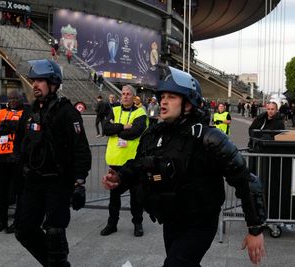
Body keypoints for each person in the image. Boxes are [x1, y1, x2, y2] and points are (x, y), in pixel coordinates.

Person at [102, 66, 266, 266]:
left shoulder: (210, 138)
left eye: (171, 97)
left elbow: (246, 181)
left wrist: (255, 228)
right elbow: (138, 165)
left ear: (188, 104)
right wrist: (119, 178)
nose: (163, 101)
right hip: (171, 218)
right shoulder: (154, 134)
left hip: (200, 222)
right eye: (162, 96)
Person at [13, 59, 92, 267]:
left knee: (55, 231)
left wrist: (79, 182)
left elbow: (81, 149)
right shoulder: (29, 113)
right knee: (23, 230)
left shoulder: (67, 113)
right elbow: (20, 146)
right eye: (34, 81)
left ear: (53, 84)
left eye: (41, 80)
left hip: (58, 183)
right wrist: (17, 177)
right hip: (32, 182)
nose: (35, 85)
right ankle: (54, 263)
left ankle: (58, 263)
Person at [100, 84, 148, 237]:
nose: (125, 96)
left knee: (136, 195)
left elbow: (135, 132)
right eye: (123, 93)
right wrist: (122, 126)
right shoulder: (113, 110)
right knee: (114, 196)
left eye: (128, 94)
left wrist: (117, 131)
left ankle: (138, 224)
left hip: (132, 161)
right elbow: (106, 128)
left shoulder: (140, 112)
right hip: (115, 160)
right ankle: (112, 224)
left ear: (134, 97)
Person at [0, 90, 24, 234]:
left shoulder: (25, 113)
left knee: (17, 191)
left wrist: (6, 127)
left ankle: (16, 222)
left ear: (20, 99)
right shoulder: (1, 112)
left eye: (15, 98)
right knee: (1, 191)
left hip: (16, 158)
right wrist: (5, 127)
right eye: (10, 98)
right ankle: (2, 221)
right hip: (1, 157)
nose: (12, 100)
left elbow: (22, 130)